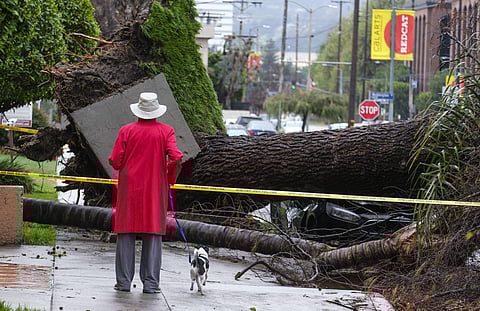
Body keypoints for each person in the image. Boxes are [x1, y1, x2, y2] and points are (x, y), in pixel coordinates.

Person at [108, 92, 183, 294]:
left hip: (129, 189)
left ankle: (123, 283)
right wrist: (167, 173)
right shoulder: (166, 131)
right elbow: (176, 156)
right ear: (156, 111)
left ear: (139, 110)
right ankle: (150, 284)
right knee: (153, 234)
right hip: (154, 189)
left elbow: (115, 160)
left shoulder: (126, 130)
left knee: (125, 233)